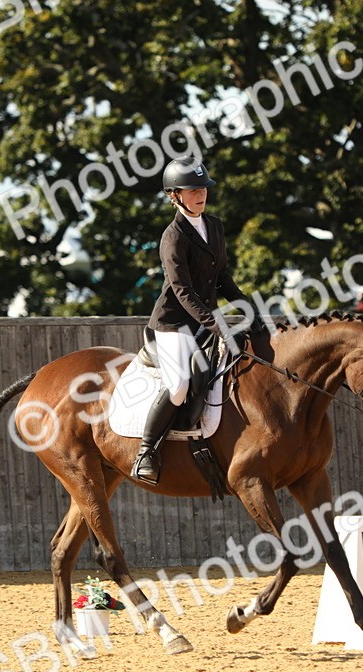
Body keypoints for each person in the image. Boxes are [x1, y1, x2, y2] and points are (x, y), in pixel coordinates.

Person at [131, 156, 257, 484]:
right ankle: (147, 451)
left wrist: (247, 308)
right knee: (179, 385)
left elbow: (222, 277)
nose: (200, 194)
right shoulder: (173, 237)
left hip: (204, 318)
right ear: (175, 195)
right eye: (192, 190)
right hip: (174, 323)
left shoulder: (213, 225)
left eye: (203, 188)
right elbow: (182, 291)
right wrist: (217, 324)